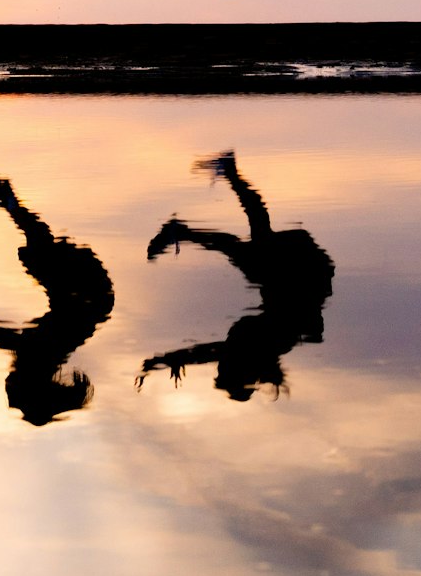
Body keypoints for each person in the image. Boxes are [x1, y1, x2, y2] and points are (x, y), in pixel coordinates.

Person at [140, 150, 335, 401]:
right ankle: (181, 230)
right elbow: (211, 351)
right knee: (244, 248)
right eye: (222, 371)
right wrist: (170, 359)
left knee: (256, 232)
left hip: (299, 270)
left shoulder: (260, 353)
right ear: (239, 371)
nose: (219, 365)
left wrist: (168, 359)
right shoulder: (261, 348)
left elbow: (209, 352)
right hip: (297, 270)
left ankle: (227, 172)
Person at [0, 176, 115, 425]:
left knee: (39, 254)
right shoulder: (40, 359)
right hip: (87, 293)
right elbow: (13, 340)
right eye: (12, 389)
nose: (8, 381)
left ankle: (9, 201)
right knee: (39, 256)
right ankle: (8, 199)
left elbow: (11, 341)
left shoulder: (42, 360)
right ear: (31, 389)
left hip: (86, 295)